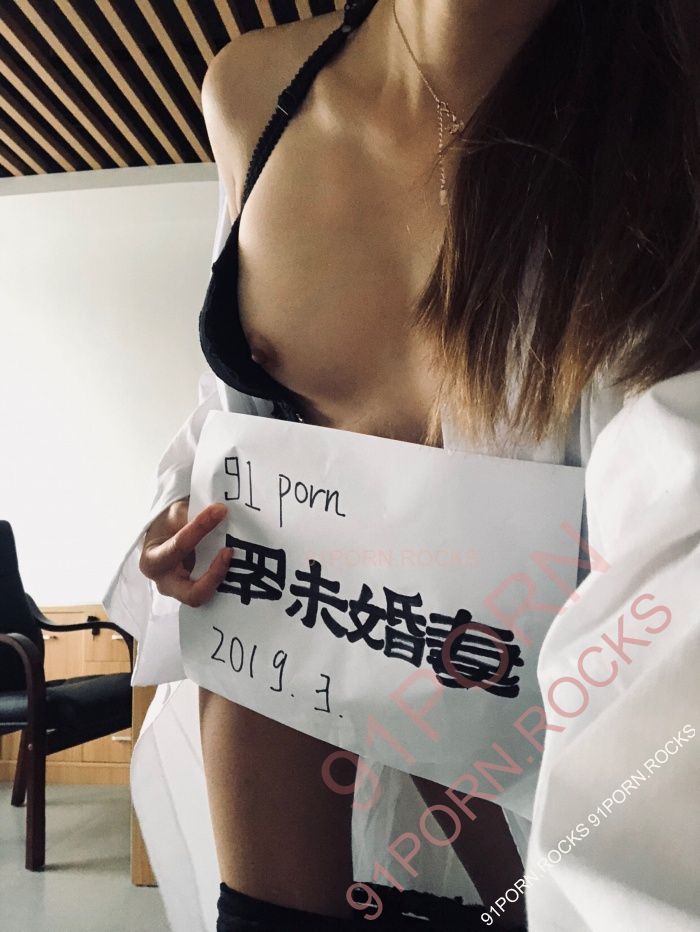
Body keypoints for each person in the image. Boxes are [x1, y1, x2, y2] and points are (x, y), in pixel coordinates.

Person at [107, 0, 700, 929]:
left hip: (571, 795)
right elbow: (231, 414)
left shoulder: (672, 100)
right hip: (275, 762)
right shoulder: (251, 90)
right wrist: (185, 508)